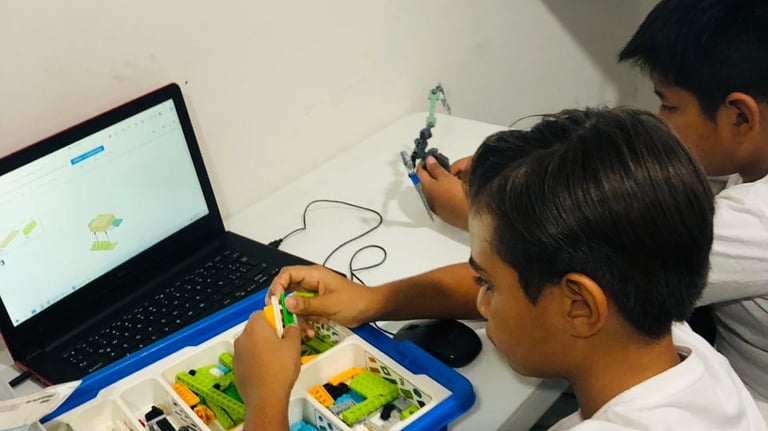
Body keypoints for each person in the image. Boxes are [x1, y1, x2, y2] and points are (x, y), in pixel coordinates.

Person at [234, 108, 766, 430]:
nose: (479, 300)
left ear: (580, 306)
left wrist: (265, 400)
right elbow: (531, 281)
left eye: (487, 284)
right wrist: (372, 300)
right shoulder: (677, 346)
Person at [418, 0, 768, 417]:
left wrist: (482, 210)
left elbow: (580, 255)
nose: (662, 119)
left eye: (669, 105)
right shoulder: (694, 354)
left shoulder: (754, 222)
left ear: (740, 116)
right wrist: (521, 177)